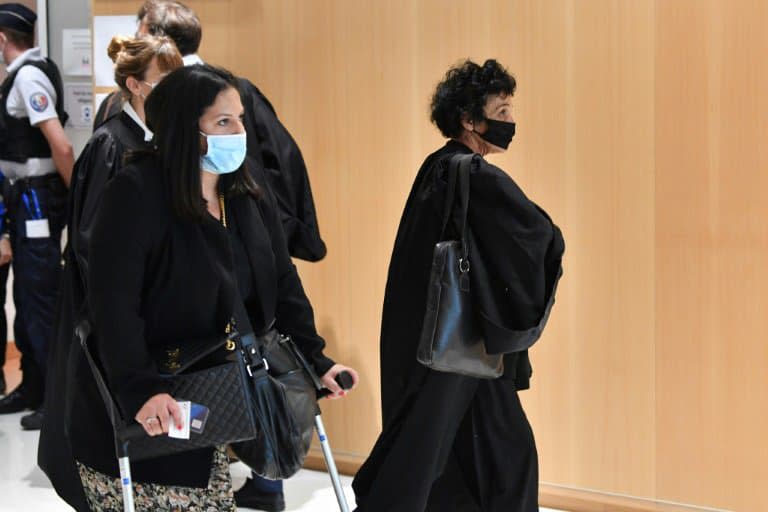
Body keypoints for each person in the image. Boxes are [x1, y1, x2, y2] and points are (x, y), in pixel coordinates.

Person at [68, 63, 358, 511]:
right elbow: (113, 308)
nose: (239, 131)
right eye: (224, 121)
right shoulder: (135, 194)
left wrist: (315, 358)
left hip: (218, 394)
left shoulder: (243, 191)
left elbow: (283, 281)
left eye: (240, 119)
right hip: (154, 400)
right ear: (185, 129)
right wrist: (141, 390)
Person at [352, 59, 565, 511]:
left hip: (437, 338)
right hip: (459, 346)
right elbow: (537, 236)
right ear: (469, 120)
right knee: (437, 454)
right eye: (501, 111)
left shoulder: (438, 166)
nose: (510, 122)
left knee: (468, 450)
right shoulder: (474, 172)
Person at [37, 34, 183, 511]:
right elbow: (93, 244)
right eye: (167, 81)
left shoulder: (157, 141)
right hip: (112, 313)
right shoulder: (110, 146)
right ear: (135, 86)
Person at [96, 0, 328, 264]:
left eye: (140, 37)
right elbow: (286, 161)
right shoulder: (234, 90)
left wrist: (280, 226)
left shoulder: (228, 95)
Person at [0, 3, 73, 430]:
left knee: (39, 299)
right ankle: (32, 385)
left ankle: (54, 397)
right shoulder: (27, 72)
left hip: (35, 202)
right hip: (25, 199)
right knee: (29, 300)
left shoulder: (28, 76)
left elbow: (61, 147)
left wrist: (77, 196)